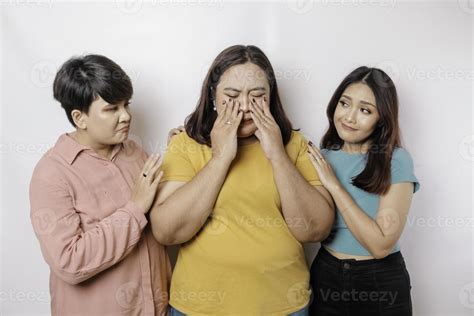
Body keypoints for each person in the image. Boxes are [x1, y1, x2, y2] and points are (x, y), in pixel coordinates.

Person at [149, 45, 335, 316]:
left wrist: (277, 155)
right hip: (199, 308)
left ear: (271, 98)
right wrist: (221, 158)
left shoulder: (295, 146)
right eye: (232, 95)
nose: (246, 106)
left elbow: (314, 230)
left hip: (282, 306)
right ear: (213, 96)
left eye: (258, 96)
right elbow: (167, 232)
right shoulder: (185, 144)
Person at [29, 54, 171, 315]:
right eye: (111, 109)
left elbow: (165, 214)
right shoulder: (51, 174)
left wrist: (180, 153)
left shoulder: (134, 153)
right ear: (79, 118)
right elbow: (70, 262)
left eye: (126, 105)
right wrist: (134, 209)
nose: (126, 116)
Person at [307, 66, 420, 316]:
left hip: (379, 281)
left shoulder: (395, 160)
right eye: (344, 104)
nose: (349, 117)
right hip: (326, 274)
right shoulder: (321, 157)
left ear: (382, 119)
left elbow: (380, 245)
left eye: (365, 110)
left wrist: (335, 186)